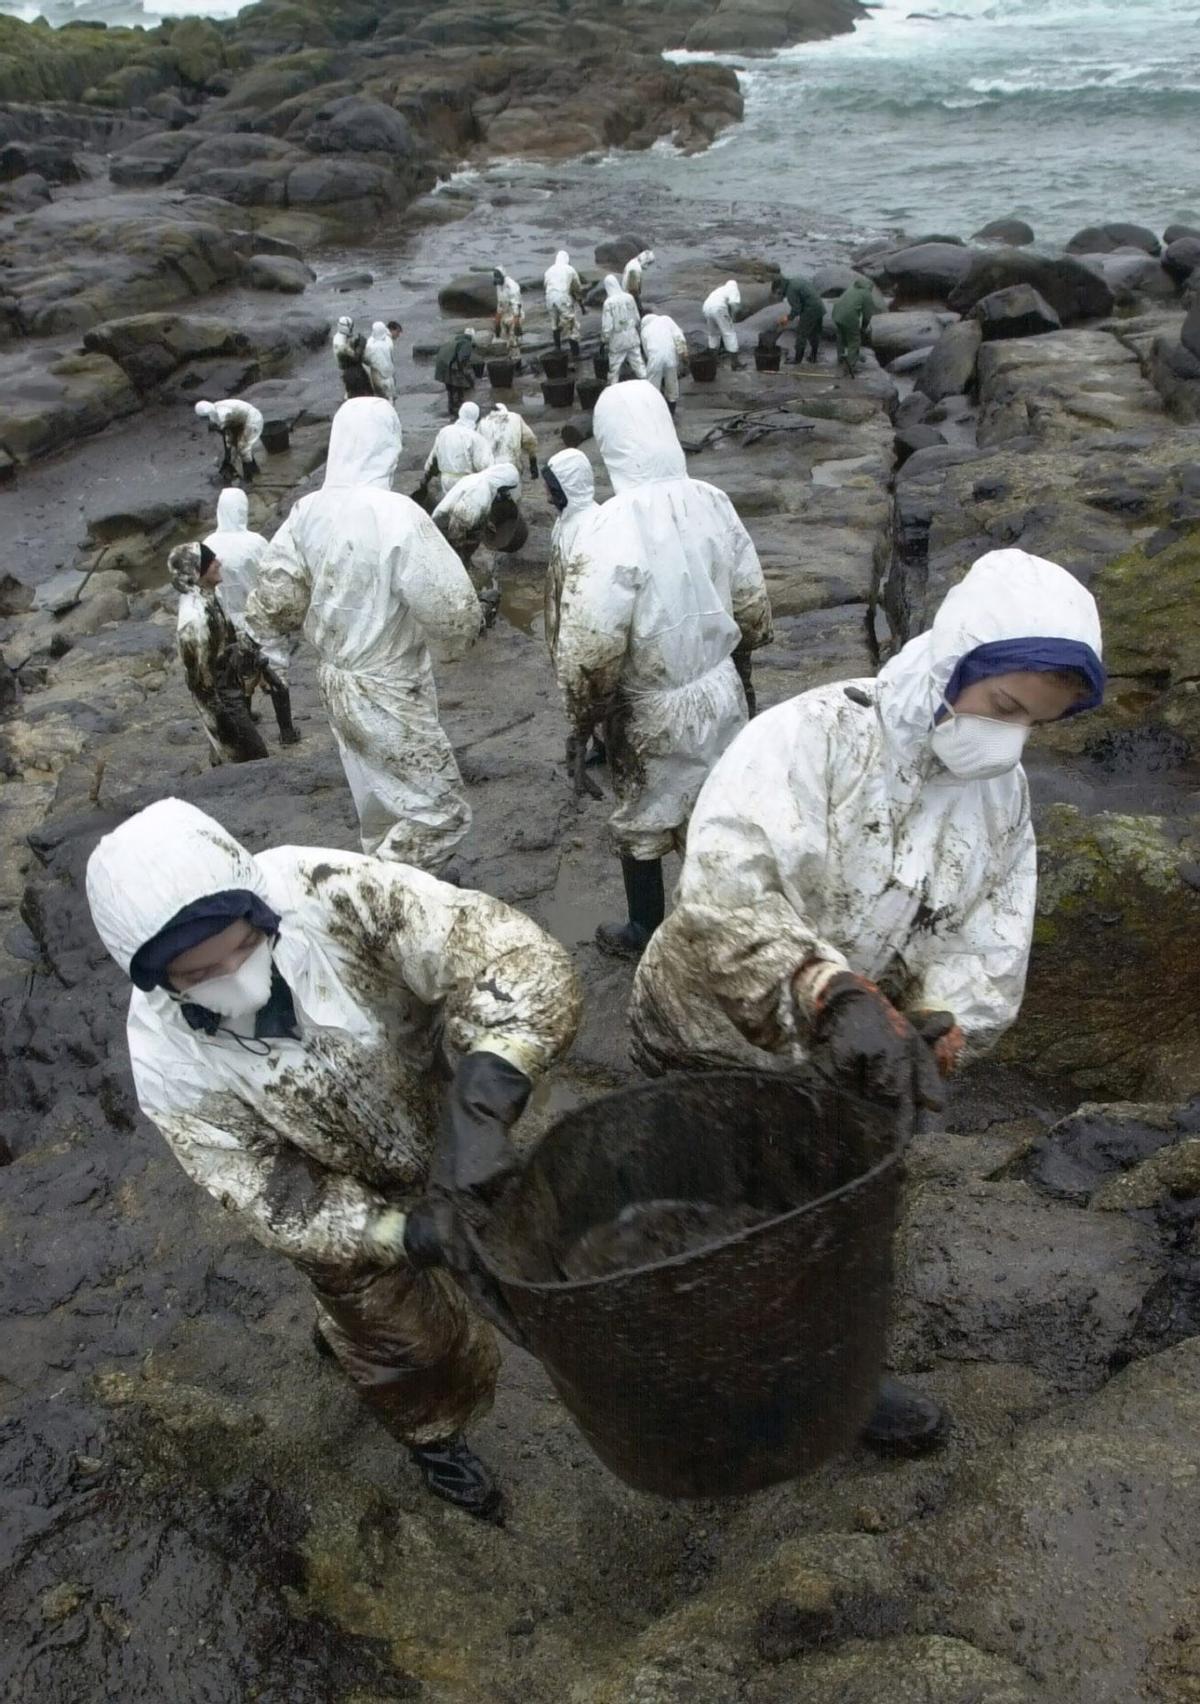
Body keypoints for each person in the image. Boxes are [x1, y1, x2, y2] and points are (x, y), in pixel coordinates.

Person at [628, 549, 1105, 1457]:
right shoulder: (805, 741)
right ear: (953, 663)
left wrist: (938, 1021)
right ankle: (705, 1374)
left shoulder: (999, 795)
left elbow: (989, 929)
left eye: (1035, 725)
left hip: (845, 1055)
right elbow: (723, 898)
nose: (1009, 740)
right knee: (709, 1212)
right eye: (1002, 708)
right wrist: (823, 985)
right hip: (712, 1031)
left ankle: (828, 1382)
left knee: (825, 1219)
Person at [86, 796, 583, 1521]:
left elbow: (505, 953)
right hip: (333, 1192)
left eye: (242, 944)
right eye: (200, 973)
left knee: (528, 1270)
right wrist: (396, 1235)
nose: (234, 974)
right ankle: (432, 1437)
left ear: (257, 906)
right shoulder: (168, 1062)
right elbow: (262, 1188)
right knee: (408, 1343)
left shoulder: (332, 891)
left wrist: (485, 1099)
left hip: (448, 1126)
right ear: (160, 980)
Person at [551, 381, 772, 957]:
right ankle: (728, 924)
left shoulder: (608, 526)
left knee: (644, 817)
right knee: (719, 805)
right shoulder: (712, 499)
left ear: (611, 445)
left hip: (649, 703)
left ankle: (645, 928)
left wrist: (584, 714)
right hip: (720, 686)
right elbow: (750, 599)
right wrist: (744, 660)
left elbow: (591, 642)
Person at [244, 397, 481, 874]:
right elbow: (454, 612)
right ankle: (383, 885)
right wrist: (455, 647)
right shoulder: (395, 514)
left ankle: (400, 877)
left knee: (375, 797)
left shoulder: (306, 511)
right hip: (388, 683)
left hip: (335, 679)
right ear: (388, 447)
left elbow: (275, 604)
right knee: (441, 813)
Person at [170, 542, 295, 763]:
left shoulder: (206, 597)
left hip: (229, 689)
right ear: (196, 573)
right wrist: (223, 722)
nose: (218, 562)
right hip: (223, 701)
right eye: (210, 562)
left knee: (233, 758)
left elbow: (225, 642)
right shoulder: (194, 621)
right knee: (254, 759)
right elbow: (200, 684)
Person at [203, 488, 296, 738]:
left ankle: (247, 720)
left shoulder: (208, 545)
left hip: (227, 619)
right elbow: (271, 576)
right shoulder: (256, 542)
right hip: (258, 614)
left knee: (237, 672)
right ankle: (286, 730)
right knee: (275, 668)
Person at [543, 448, 604, 782]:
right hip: (564, 621)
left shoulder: (592, 524)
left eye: (552, 487)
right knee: (579, 687)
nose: (546, 494)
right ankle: (598, 741)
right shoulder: (565, 519)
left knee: (594, 687)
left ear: (568, 487)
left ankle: (606, 744)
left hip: (584, 625)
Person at [432, 462, 523, 629]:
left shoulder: (480, 481)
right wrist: (457, 559)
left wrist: (486, 523)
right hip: (445, 528)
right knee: (452, 573)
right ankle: (461, 614)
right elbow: (458, 525)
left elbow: (470, 511)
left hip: (450, 521)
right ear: (501, 485)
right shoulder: (481, 491)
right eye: (506, 490)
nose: (506, 495)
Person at [420, 400, 492, 503]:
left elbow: (434, 457)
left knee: (449, 505)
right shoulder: (476, 438)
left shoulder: (445, 431)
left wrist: (426, 477)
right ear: (476, 417)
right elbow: (484, 465)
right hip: (466, 481)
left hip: (446, 479)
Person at [194, 398, 264, 483]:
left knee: (243, 450)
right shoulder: (214, 410)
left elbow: (225, 434)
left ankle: (248, 479)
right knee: (239, 447)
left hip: (252, 420)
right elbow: (227, 437)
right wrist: (227, 456)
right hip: (238, 421)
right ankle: (254, 470)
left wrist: (227, 457)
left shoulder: (223, 414)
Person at [639, 312, 689, 416]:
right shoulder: (666, 319)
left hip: (654, 359)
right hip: (671, 357)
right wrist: (683, 354)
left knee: (652, 388)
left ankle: (653, 413)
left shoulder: (644, 331)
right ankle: (671, 413)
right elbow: (678, 337)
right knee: (672, 385)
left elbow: (647, 351)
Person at [770, 271, 825, 364]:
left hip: (810, 310)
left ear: (780, 287)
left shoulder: (790, 291)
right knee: (814, 332)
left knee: (801, 333)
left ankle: (797, 360)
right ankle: (813, 356)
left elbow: (797, 309)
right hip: (820, 307)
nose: (779, 295)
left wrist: (788, 318)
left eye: (778, 292)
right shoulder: (795, 281)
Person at [601, 274, 646, 386]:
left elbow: (607, 327)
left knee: (614, 369)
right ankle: (648, 387)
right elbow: (637, 318)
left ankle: (612, 392)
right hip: (632, 337)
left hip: (617, 341)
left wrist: (604, 341)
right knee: (639, 365)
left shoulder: (608, 303)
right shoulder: (629, 298)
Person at [479, 402, 539, 480]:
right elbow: (530, 439)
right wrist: (532, 460)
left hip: (490, 469)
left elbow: (478, 448)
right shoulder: (515, 417)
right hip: (511, 465)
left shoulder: (482, 422)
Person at [832, 277, 877, 378]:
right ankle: (849, 367)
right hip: (849, 317)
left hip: (836, 314)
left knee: (841, 335)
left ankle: (840, 358)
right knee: (854, 341)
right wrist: (864, 327)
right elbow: (867, 314)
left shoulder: (851, 288)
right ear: (870, 287)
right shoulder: (866, 294)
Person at [543, 249, 584, 357]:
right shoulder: (570, 269)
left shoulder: (549, 270)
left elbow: (546, 285)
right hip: (562, 297)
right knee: (572, 325)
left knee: (554, 323)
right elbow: (577, 288)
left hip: (549, 298)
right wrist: (581, 304)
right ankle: (575, 354)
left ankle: (558, 349)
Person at [434, 328, 477, 418]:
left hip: (441, 365)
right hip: (449, 366)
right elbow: (462, 360)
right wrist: (468, 378)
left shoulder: (455, 341)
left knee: (450, 389)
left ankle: (451, 409)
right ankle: (458, 412)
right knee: (458, 388)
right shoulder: (466, 344)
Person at [702, 280, 743, 370]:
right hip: (718, 308)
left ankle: (713, 361)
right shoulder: (733, 288)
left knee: (713, 334)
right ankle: (735, 363)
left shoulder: (720, 290)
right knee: (729, 333)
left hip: (706, 308)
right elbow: (735, 307)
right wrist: (732, 319)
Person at [332, 316, 371, 398]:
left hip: (347, 364)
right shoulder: (341, 344)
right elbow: (355, 356)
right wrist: (361, 345)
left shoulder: (338, 336)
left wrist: (354, 341)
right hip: (349, 366)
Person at [363, 319, 398, 405]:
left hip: (378, 376)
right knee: (390, 400)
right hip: (389, 376)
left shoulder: (370, 345)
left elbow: (366, 360)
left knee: (380, 400)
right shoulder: (388, 343)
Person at [492, 267, 523, 355]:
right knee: (504, 337)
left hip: (515, 313)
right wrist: (497, 322)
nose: (497, 281)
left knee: (513, 338)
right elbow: (500, 303)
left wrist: (517, 323)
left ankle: (517, 360)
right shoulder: (499, 286)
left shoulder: (512, 286)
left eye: (498, 278)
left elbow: (516, 304)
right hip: (505, 313)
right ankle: (510, 356)